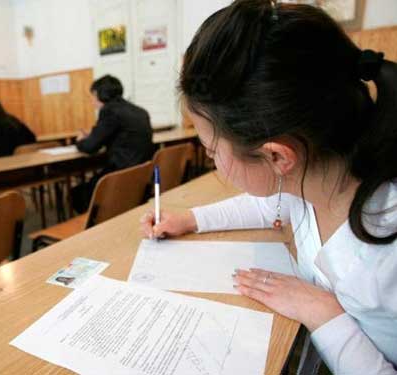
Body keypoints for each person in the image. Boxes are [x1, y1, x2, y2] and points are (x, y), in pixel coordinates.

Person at [140, 1, 397, 374]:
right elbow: (268, 205)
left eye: (212, 150)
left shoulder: (385, 254)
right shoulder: (321, 175)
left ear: (277, 157)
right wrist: (190, 219)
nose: (213, 160)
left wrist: (321, 311)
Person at [71, 75, 154, 213]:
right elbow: (118, 135)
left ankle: (91, 229)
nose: (92, 101)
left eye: (92, 96)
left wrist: (80, 140)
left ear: (100, 94)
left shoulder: (109, 110)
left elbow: (90, 147)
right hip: (141, 176)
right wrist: (93, 136)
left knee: (76, 194)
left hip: (119, 178)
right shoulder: (140, 111)